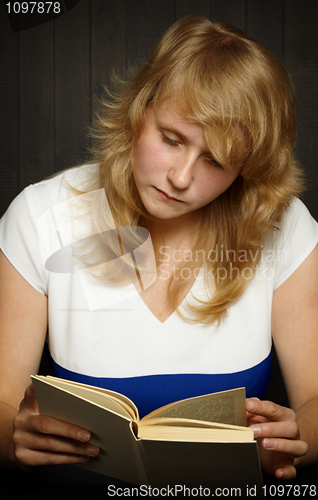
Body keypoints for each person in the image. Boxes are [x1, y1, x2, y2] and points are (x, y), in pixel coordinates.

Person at [0, 15, 317, 482]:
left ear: (246, 168)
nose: (182, 177)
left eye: (216, 160)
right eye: (171, 139)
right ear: (139, 109)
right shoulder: (40, 215)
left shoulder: (285, 228)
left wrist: (297, 440)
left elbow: (313, 404)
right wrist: (11, 437)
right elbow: (4, 402)